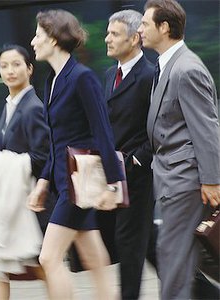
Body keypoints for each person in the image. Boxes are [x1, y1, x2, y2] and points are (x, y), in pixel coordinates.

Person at [28, 9, 125, 300]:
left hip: (79, 183)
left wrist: (114, 183)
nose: (33, 42)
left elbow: (103, 131)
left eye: (38, 36)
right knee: (95, 259)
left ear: (55, 39)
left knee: (49, 258)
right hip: (63, 182)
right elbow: (57, 140)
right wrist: (44, 181)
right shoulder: (51, 80)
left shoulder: (82, 78)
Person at [138, 0, 220, 299]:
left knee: (173, 262)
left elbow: (207, 129)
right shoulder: (168, 66)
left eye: (145, 24)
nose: (140, 29)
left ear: (165, 27)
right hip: (173, 181)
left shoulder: (186, 69)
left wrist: (212, 180)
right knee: (176, 261)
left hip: (185, 183)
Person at [0, 44, 52, 300]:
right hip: (12, 200)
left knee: (42, 266)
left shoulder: (32, 107)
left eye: (16, 65)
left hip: (29, 201)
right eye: (4, 66)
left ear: (29, 69)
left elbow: (42, 157)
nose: (10, 71)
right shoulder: (11, 104)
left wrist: (2, 164)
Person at [103, 10, 155, 300]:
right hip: (114, 174)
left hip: (137, 175)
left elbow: (160, 126)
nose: (107, 39)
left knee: (129, 244)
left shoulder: (150, 76)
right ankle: (204, 290)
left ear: (135, 39)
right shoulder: (111, 74)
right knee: (147, 244)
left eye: (114, 34)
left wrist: (137, 159)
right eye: (108, 33)